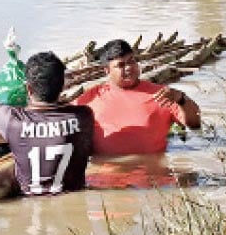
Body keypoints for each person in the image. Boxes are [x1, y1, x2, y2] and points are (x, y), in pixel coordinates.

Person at [0, 51, 94, 196]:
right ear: (62, 87)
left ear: (28, 89)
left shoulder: (13, 121)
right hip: (72, 202)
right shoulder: (83, 116)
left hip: (30, 202)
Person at [73, 40, 201, 156]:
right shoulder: (91, 98)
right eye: (121, 65)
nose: (129, 68)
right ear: (106, 70)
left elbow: (195, 124)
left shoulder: (161, 94)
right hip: (106, 176)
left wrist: (181, 98)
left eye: (131, 61)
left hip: (153, 176)